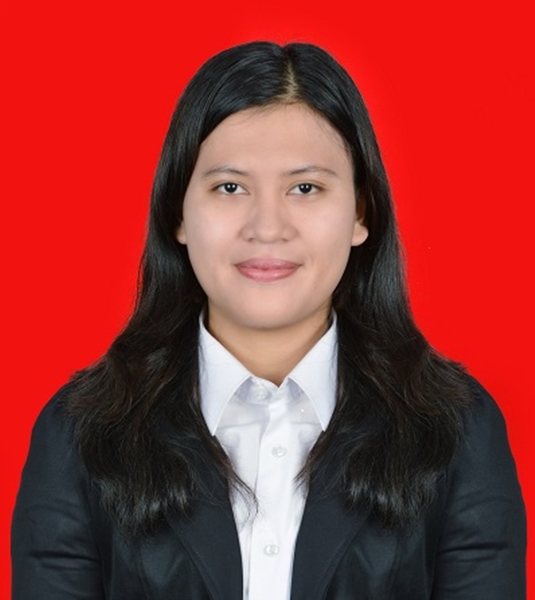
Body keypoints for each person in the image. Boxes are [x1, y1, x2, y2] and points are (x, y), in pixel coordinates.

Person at [11, 41, 526, 599]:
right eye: (230, 187)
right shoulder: (81, 433)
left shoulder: (457, 429)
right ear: (178, 213)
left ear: (361, 213)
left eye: (305, 188)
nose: (267, 226)